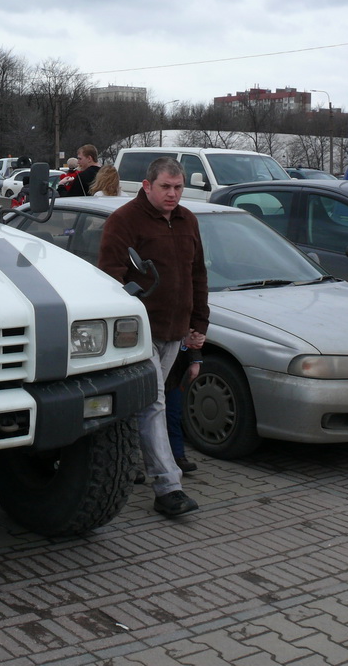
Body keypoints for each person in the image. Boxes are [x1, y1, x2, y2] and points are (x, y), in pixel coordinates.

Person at [97, 156, 209, 518]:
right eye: (166, 187)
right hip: (139, 334)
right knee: (153, 403)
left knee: (142, 405)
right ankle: (168, 487)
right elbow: (110, 277)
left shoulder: (187, 220)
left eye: (178, 188)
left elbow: (197, 275)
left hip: (175, 332)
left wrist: (199, 324)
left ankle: (122, 461)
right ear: (147, 186)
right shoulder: (125, 220)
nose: (173, 194)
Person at [165, 335, 201, 473]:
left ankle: (177, 456)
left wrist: (195, 361)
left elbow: (192, 330)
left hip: (174, 371)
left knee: (173, 414)